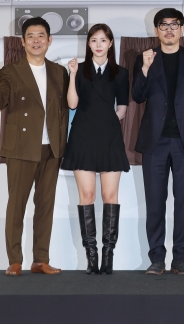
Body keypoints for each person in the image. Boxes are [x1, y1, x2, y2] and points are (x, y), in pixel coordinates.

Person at [0, 17, 69, 276]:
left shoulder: (59, 72)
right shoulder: (11, 71)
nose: (36, 40)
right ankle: (14, 260)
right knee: (17, 205)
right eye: (31, 36)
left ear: (49, 40)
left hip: (51, 148)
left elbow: (65, 110)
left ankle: (40, 260)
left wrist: (63, 144)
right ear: (22, 42)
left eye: (41, 36)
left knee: (45, 205)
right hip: (22, 147)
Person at [132, 8, 184, 275]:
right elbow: (138, 96)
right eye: (163, 25)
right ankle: (156, 258)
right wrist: (144, 67)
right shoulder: (145, 58)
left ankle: (181, 259)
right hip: (155, 142)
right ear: (156, 30)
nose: (169, 29)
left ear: (182, 29)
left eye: (174, 25)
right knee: (155, 201)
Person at [61, 24, 130, 275]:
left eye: (103, 40)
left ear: (111, 43)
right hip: (82, 136)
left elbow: (122, 108)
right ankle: (91, 257)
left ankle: (108, 256)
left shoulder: (121, 73)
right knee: (87, 196)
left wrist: (108, 120)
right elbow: (71, 104)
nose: (98, 44)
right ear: (88, 44)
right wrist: (72, 75)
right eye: (94, 40)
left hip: (110, 137)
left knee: (110, 197)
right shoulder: (79, 70)